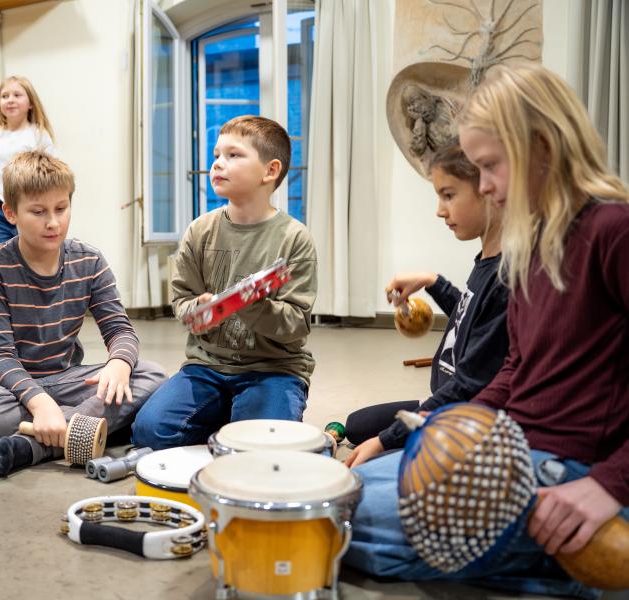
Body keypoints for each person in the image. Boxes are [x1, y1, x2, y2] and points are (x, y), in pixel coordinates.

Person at [343, 63, 628, 599]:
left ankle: (574, 553)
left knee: (334, 523)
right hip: (513, 446)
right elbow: (518, 369)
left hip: (574, 467)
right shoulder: (531, 247)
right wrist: (442, 425)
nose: (488, 187)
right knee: (343, 491)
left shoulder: (613, 229)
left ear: (542, 144)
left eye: (490, 166)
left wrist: (611, 484)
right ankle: (555, 559)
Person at [0, 151, 166, 477]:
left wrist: (119, 363)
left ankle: (35, 446)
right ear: (10, 213)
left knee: (150, 375)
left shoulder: (90, 260)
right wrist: (40, 404)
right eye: (38, 212)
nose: (53, 222)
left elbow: (119, 329)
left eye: (61, 209)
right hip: (2, 385)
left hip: (64, 378)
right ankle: (89, 426)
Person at [131, 115, 317, 451]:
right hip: (206, 367)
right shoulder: (200, 230)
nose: (218, 163)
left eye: (234, 155)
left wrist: (253, 308)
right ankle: (230, 417)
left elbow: (296, 324)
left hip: (272, 370)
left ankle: (245, 419)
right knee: (149, 431)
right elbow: (182, 299)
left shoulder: (295, 238)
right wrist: (198, 310)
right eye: (217, 155)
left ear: (270, 171)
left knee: (257, 450)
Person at [344, 144, 509, 467]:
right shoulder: (486, 259)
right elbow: (469, 317)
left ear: (489, 190)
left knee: (371, 466)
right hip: (441, 400)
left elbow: (469, 386)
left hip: (462, 416)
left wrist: (386, 440)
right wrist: (433, 281)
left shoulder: (506, 277)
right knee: (355, 425)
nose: (439, 210)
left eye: (448, 195)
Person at [0, 76, 57, 248]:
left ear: (30, 103)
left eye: (17, 95)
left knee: (28, 260)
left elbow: (54, 175)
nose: (10, 100)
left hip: (29, 209)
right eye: (5, 96)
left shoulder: (38, 134)